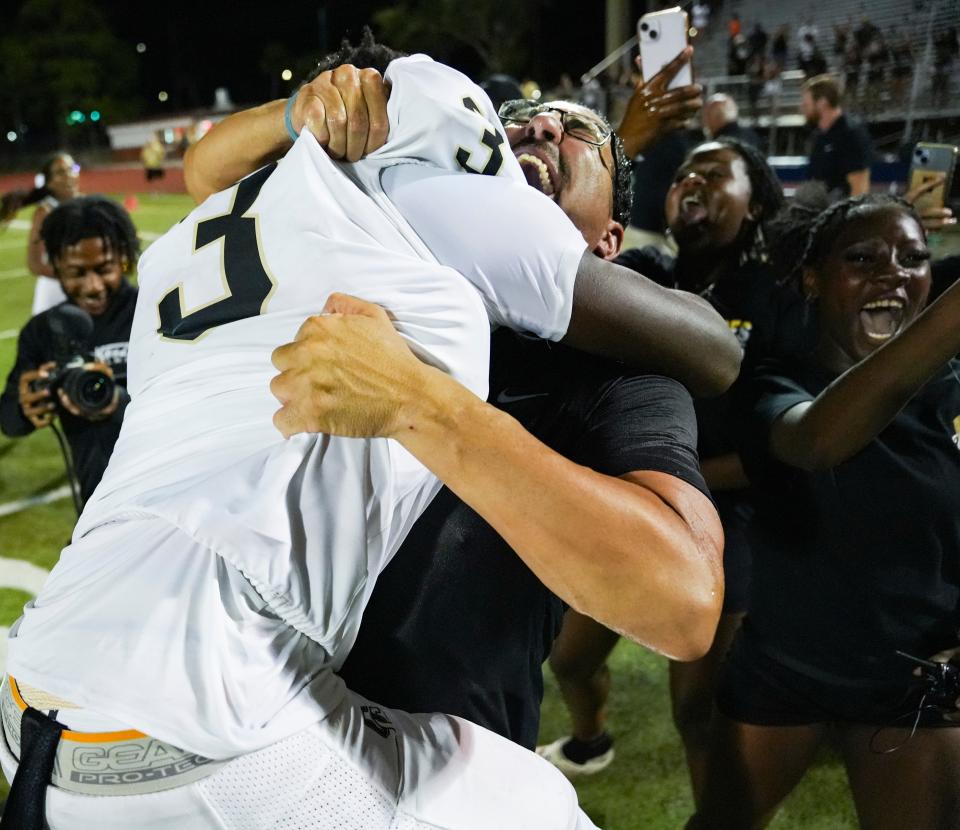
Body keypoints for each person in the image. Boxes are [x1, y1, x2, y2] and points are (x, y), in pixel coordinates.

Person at [0, 38, 736, 830]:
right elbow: (218, 165)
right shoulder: (387, 236)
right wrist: (311, 107)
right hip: (230, 731)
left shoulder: (615, 375)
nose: (540, 129)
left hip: (57, 700)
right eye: (517, 120)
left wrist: (422, 404)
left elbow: (685, 599)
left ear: (609, 246)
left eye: (577, 132)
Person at [539, 138, 807, 788]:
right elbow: (568, 245)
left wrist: (681, 476)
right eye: (686, 169)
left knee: (696, 708)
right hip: (636, 505)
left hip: (728, 525)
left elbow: (782, 445)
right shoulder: (650, 270)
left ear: (756, 204)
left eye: (716, 173)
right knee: (570, 661)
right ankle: (589, 739)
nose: (693, 180)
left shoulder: (777, 294)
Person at [689, 192, 960, 830]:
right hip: (784, 667)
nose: (893, 272)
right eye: (863, 257)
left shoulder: (954, 392)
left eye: (913, 258)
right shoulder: (772, 383)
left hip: (914, 680)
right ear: (812, 279)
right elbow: (818, 441)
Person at [0, 196, 139, 507]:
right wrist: (26, 407)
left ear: (124, 259)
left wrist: (115, 403)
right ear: (56, 268)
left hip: (173, 498)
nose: (92, 286)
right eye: (77, 272)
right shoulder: (43, 332)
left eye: (104, 269)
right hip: (98, 508)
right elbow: (8, 420)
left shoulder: (155, 315)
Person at [0, 152, 81, 315]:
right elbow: (34, 263)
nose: (69, 176)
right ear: (49, 183)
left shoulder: (84, 205)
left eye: (71, 169)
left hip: (83, 290)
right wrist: (72, 277)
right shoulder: (45, 212)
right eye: (60, 172)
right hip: (55, 292)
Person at [801, 74, 874, 198]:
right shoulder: (819, 136)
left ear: (822, 103)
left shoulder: (850, 134)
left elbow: (859, 187)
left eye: (806, 104)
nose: (802, 108)